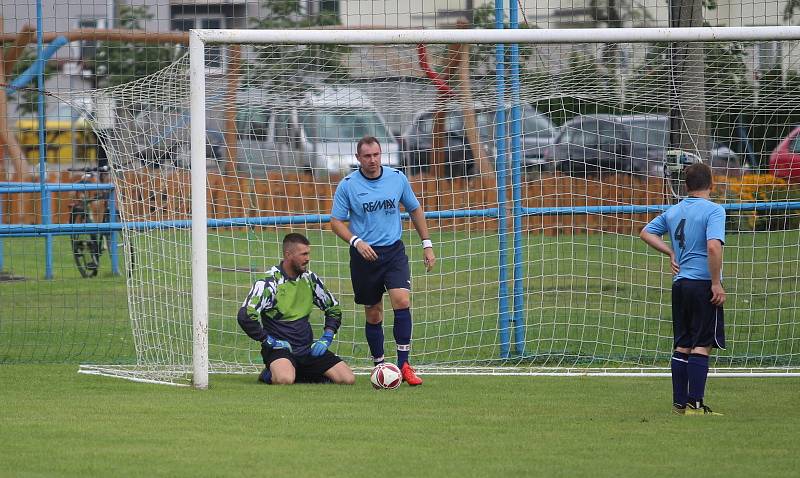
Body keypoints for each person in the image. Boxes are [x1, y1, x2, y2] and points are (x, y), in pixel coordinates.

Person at [330, 135, 436, 386]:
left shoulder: (396, 178)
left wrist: (427, 244)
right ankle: (379, 366)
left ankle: (404, 365)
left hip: (393, 253)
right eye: (367, 156)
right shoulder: (347, 185)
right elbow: (335, 222)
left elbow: (414, 208)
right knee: (374, 314)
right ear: (358, 158)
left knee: (402, 300)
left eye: (376, 155)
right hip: (364, 256)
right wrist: (356, 241)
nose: (372, 160)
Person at [639, 162, 726, 415]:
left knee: (683, 343)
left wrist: (670, 252)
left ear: (686, 186)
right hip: (702, 284)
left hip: (680, 285)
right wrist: (716, 282)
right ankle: (696, 404)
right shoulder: (714, 211)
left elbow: (646, 232)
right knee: (702, 343)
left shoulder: (674, 211)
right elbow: (713, 247)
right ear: (712, 184)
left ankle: (680, 403)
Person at [237, 233, 355, 385]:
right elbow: (245, 316)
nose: (308, 258)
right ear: (288, 255)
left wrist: (327, 337)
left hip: (307, 349)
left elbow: (333, 308)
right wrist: (268, 340)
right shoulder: (269, 282)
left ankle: (299, 372)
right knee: (285, 379)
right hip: (279, 349)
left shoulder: (309, 279)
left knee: (347, 379)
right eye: (303, 254)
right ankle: (269, 373)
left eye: (308, 253)